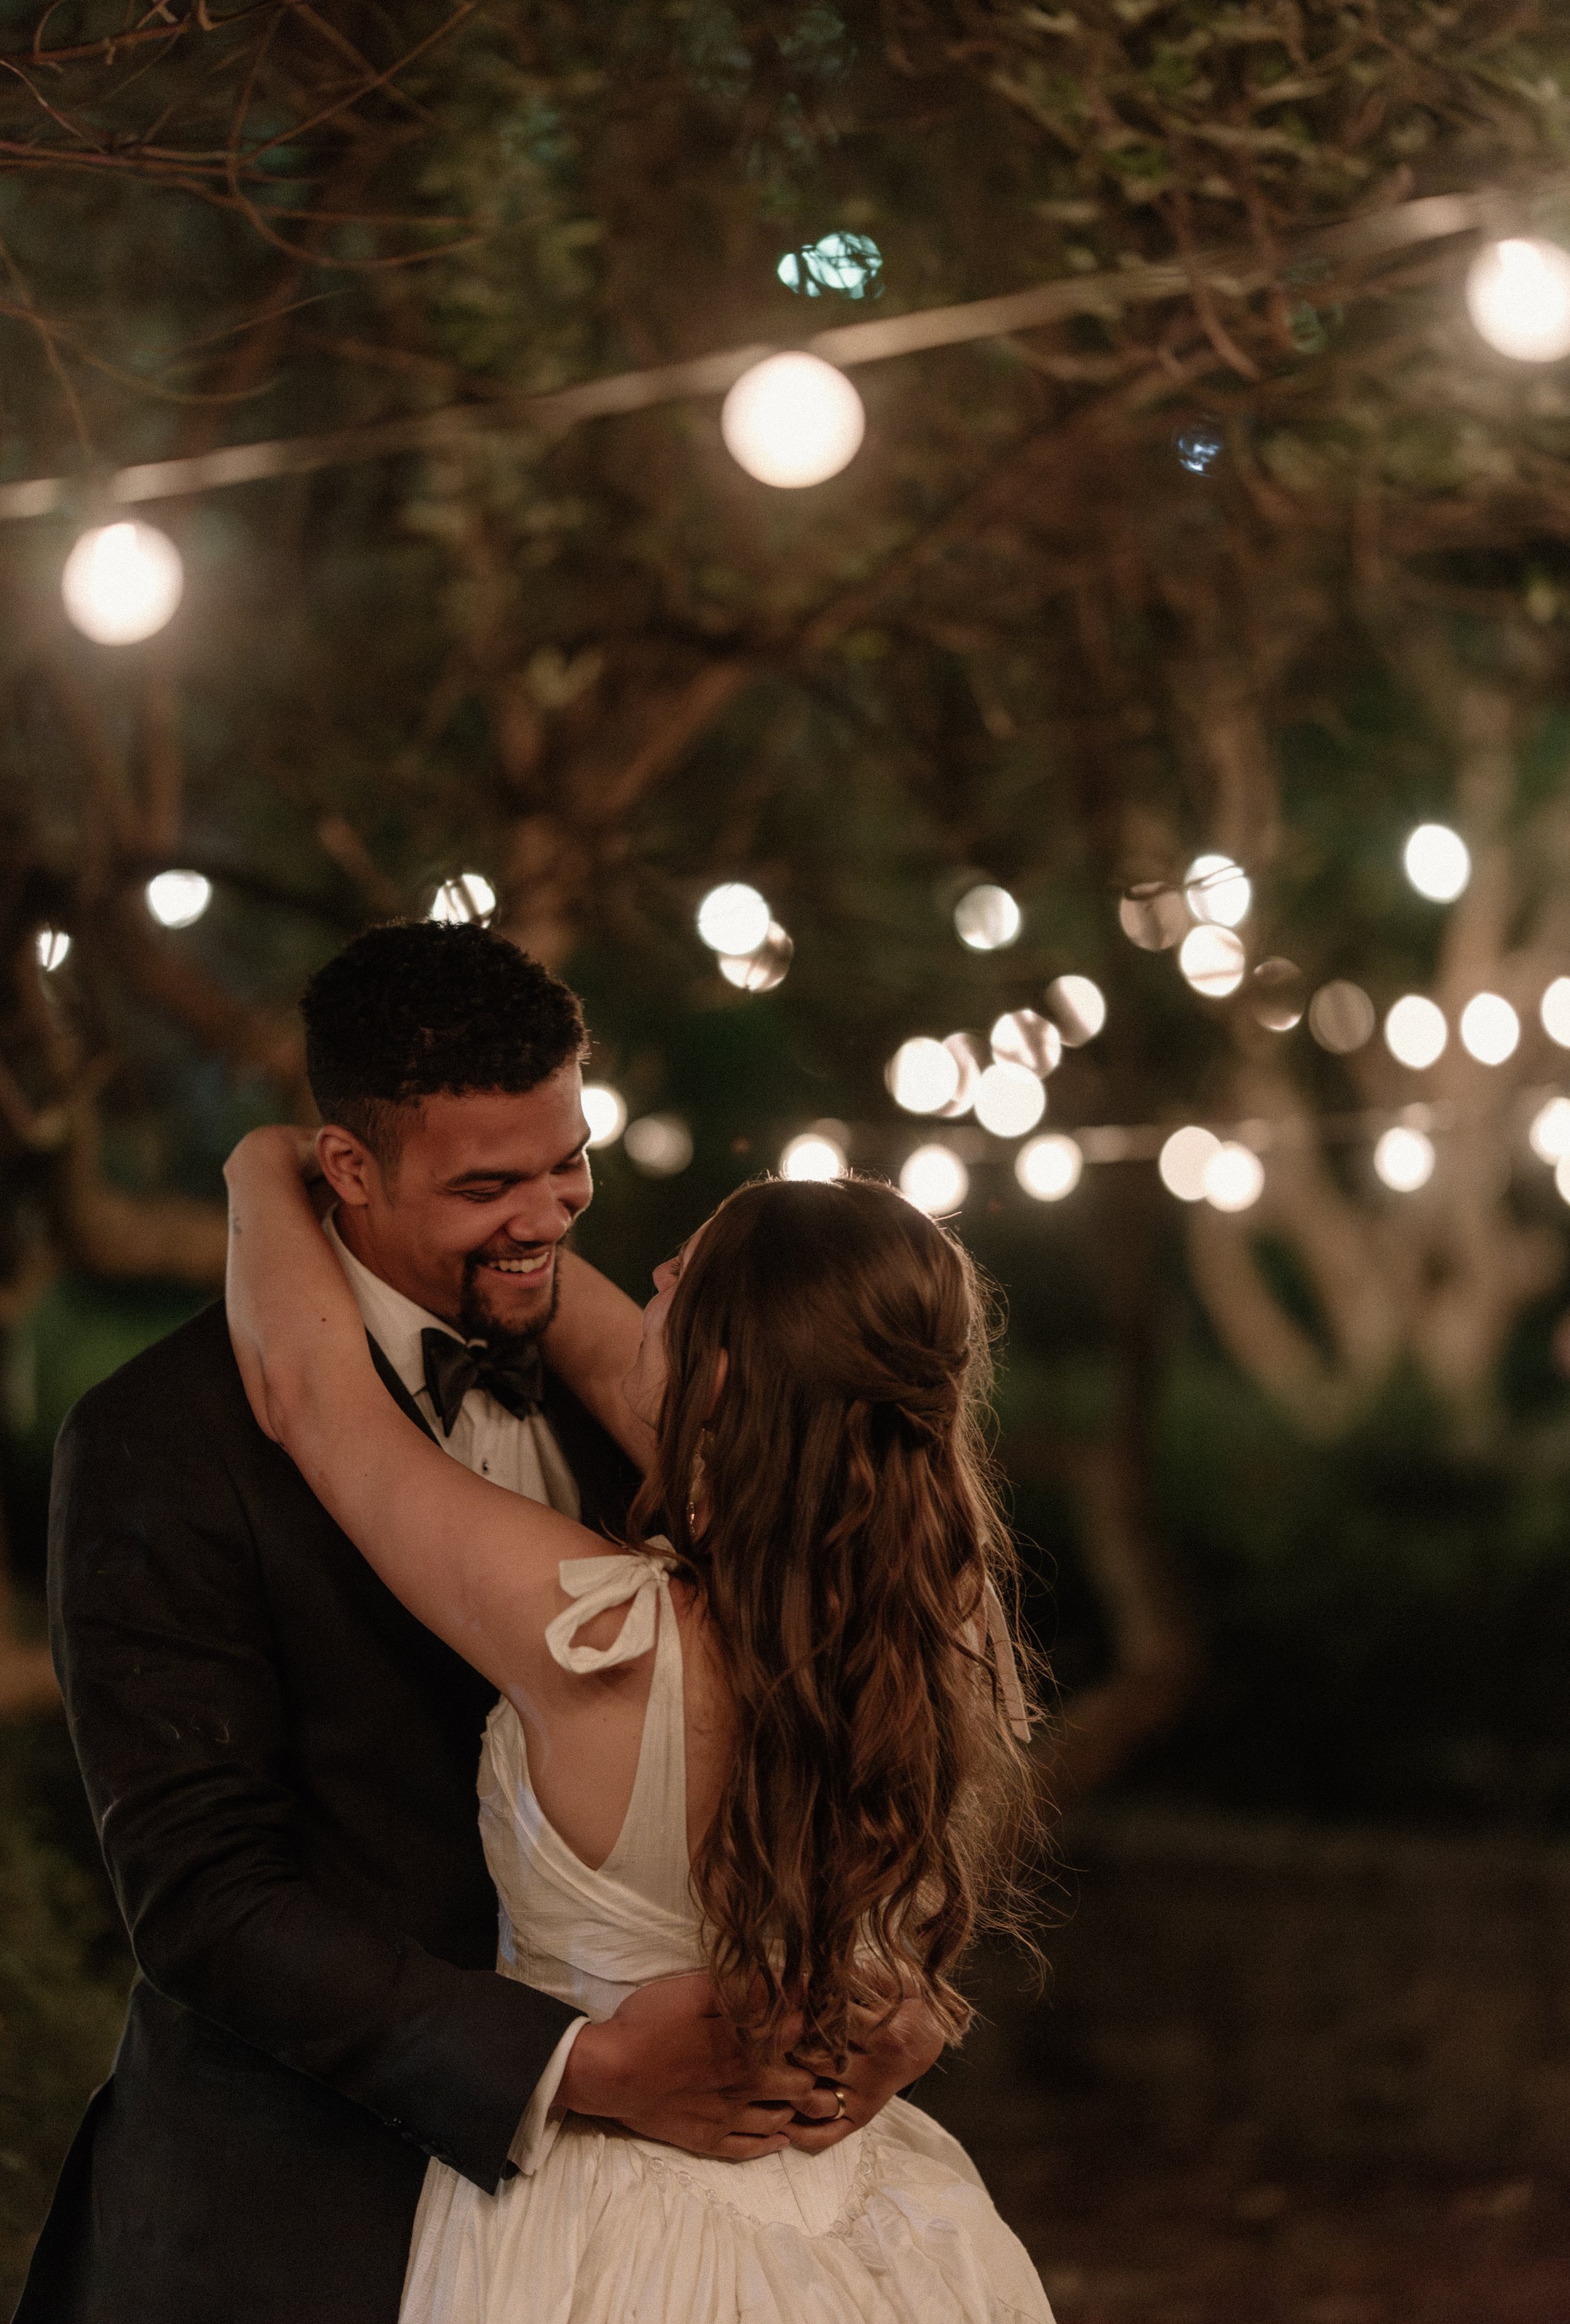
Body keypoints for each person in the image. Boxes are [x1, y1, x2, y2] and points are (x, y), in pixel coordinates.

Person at [18, 922, 936, 2324]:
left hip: (664, 2230)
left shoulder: (664, 1404)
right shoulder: (162, 1442)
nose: (552, 1217)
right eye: (487, 1185)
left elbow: (847, 1705)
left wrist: (895, 1985)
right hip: (297, 2215)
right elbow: (203, 1900)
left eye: (568, 1162)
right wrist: (570, 2065)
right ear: (349, 1168)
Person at [222, 1105, 1055, 2320]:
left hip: (612, 2239)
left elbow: (310, 1395)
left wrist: (264, 1160)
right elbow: (655, 1366)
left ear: (718, 1371)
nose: (651, 1271)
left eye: (687, 1272)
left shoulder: (598, 1640)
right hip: (865, 2228)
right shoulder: (945, 1614)